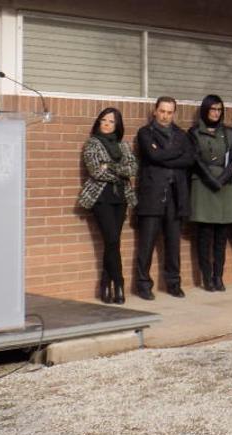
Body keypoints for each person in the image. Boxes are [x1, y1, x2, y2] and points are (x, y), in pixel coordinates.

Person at [133, 96, 195, 300]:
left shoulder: (181, 134)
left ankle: (173, 283)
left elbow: (189, 159)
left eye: (169, 112)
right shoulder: (145, 133)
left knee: (173, 243)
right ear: (155, 111)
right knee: (147, 243)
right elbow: (153, 157)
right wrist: (175, 154)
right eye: (162, 111)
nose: (165, 115)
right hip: (152, 194)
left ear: (173, 113)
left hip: (176, 196)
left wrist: (165, 155)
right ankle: (143, 285)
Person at [78, 108, 137, 304]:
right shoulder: (92, 144)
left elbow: (133, 168)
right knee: (112, 240)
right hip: (100, 198)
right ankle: (119, 284)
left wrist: (110, 166)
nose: (106, 124)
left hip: (120, 198)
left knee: (113, 242)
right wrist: (119, 171)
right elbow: (96, 171)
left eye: (111, 121)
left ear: (117, 125)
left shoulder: (124, 145)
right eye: (103, 120)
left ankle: (106, 283)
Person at [188, 95, 232, 292]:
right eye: (212, 109)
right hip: (204, 185)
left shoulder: (229, 133)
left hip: (226, 186)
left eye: (219, 109)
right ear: (205, 110)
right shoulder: (194, 133)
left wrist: (222, 179)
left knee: (221, 235)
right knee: (205, 235)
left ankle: (218, 276)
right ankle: (206, 278)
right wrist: (211, 180)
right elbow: (195, 159)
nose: (216, 113)